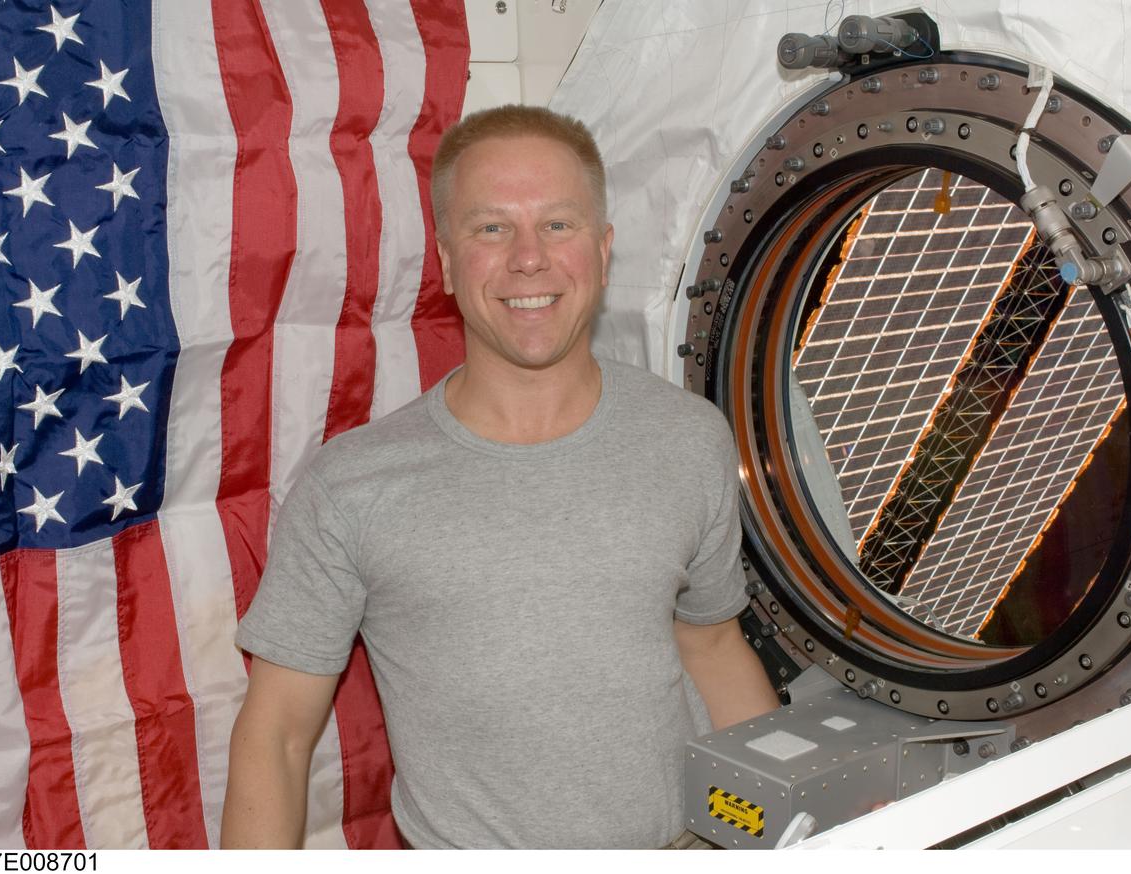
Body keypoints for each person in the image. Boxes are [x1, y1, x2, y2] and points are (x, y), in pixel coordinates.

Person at [221, 104, 779, 849]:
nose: (528, 258)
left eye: (558, 224)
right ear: (448, 262)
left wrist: (788, 836)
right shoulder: (351, 487)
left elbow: (712, 650)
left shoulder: (688, 438)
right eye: (492, 228)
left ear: (603, 250)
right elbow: (279, 737)